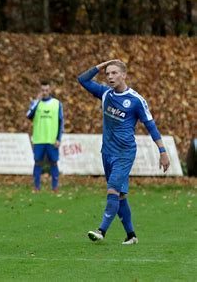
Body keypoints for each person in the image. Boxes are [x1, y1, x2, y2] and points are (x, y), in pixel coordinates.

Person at [78, 59, 170, 244]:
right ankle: (131, 235)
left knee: (112, 190)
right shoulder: (105, 94)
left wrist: (162, 151)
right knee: (120, 195)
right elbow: (83, 80)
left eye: (114, 73)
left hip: (124, 153)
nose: (110, 77)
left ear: (124, 75)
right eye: (107, 74)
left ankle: (101, 230)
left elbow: (151, 126)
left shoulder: (136, 100)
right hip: (107, 152)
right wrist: (101, 65)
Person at [26, 81, 64, 193]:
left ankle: (55, 187)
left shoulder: (57, 104)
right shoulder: (35, 104)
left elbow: (61, 122)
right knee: (37, 162)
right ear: (40, 90)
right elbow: (28, 115)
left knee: (54, 162)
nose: (45, 92)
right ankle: (36, 187)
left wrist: (58, 139)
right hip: (39, 139)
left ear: (50, 90)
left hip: (52, 140)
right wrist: (36, 100)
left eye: (47, 90)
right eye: (42, 90)